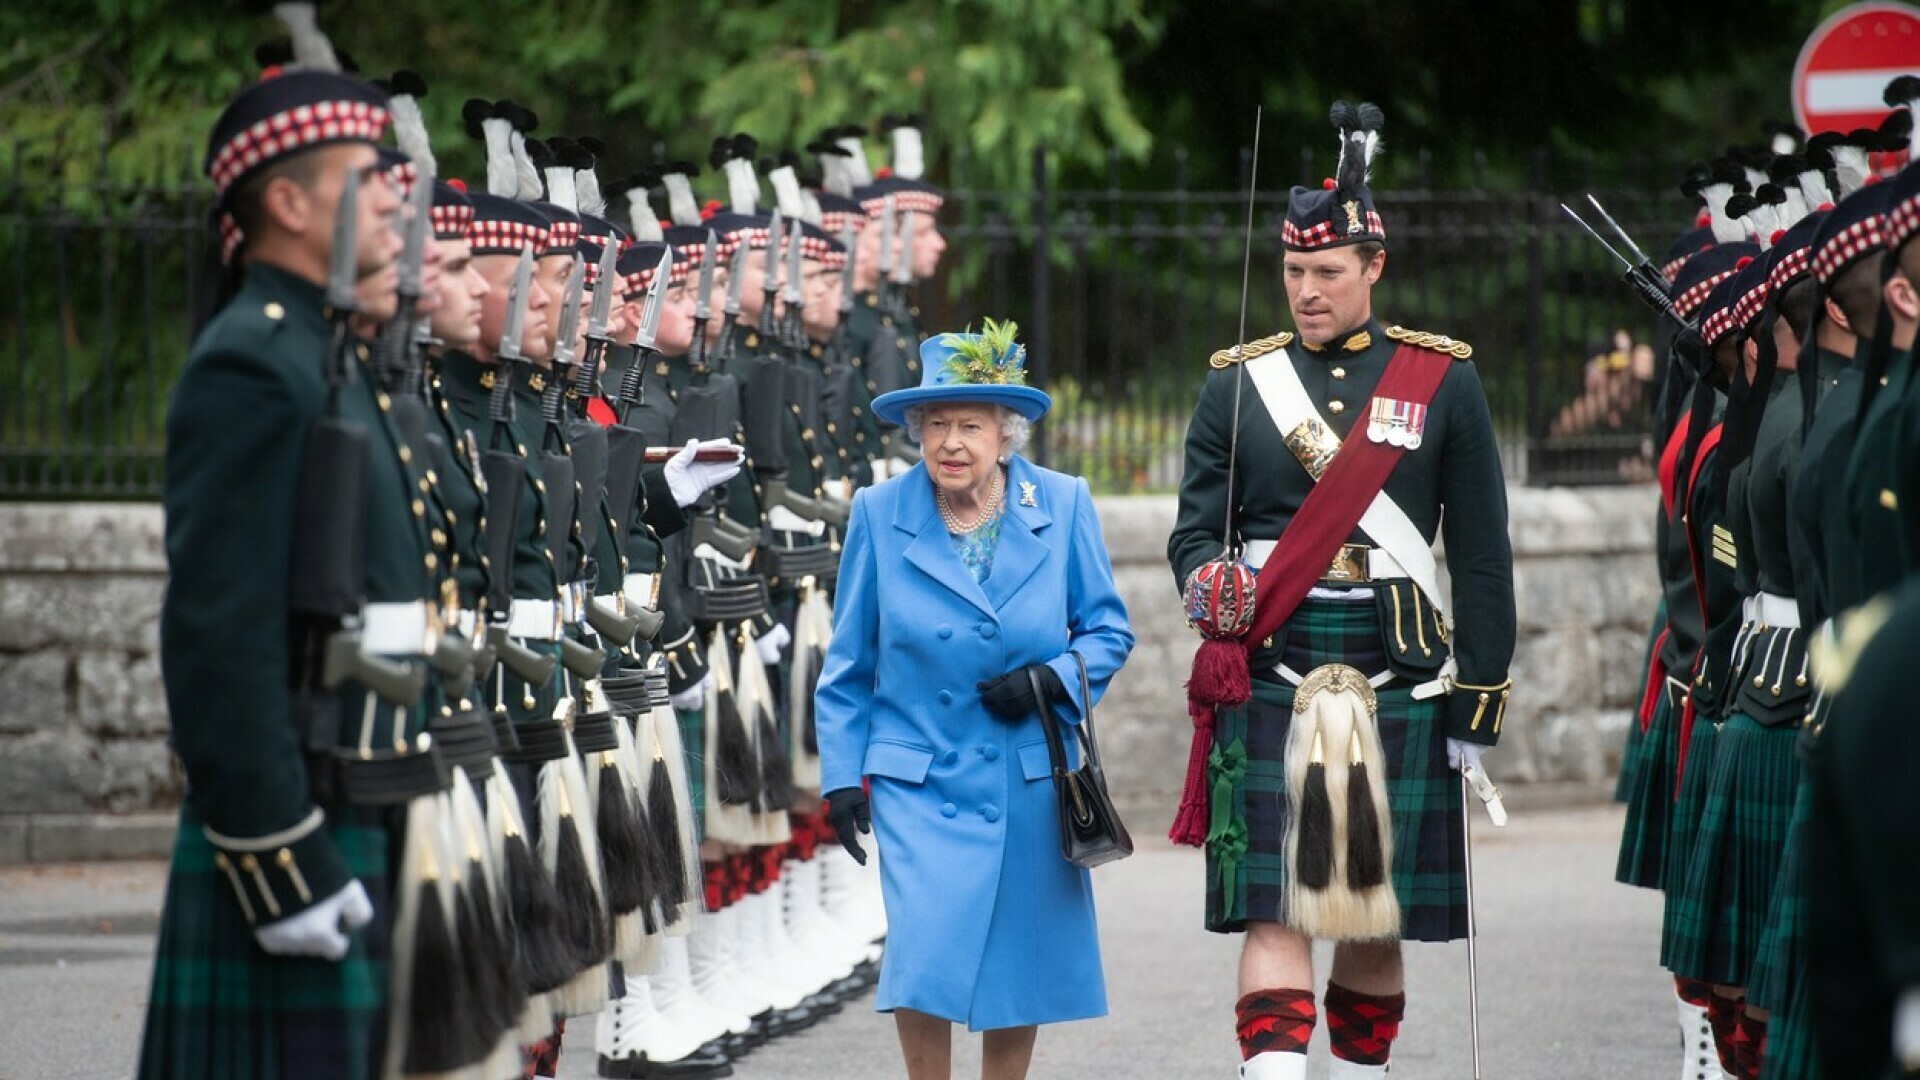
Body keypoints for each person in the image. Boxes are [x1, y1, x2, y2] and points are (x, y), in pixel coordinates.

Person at [1167, 102, 1515, 1079]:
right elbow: (1195, 532)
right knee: (1276, 903)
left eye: (1327, 273)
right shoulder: (1238, 385)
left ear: (1374, 268)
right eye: (1293, 274)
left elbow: (1482, 556)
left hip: (1398, 669)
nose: (1307, 293)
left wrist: (1478, 698)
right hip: (1274, 654)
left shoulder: (1441, 383)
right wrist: (1212, 584)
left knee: (1374, 910)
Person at [137, 53, 414, 1080]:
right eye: (362, 181)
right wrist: (277, 852)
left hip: (361, 785)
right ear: (289, 202)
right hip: (302, 808)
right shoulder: (251, 362)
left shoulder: (326, 354)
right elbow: (219, 630)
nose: (390, 205)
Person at [815, 319, 1134, 1080]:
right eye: (935, 425)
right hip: (918, 780)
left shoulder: (1061, 503)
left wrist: (1049, 680)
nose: (950, 442)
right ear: (916, 431)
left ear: (1005, 433)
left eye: (970, 425)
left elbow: (1107, 631)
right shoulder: (878, 512)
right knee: (922, 954)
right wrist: (839, 778)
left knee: (1017, 962)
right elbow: (849, 661)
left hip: (1026, 776)